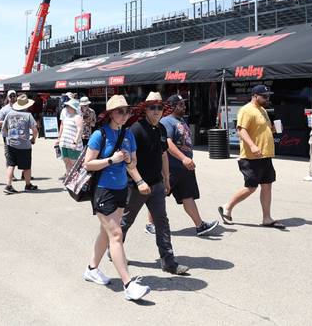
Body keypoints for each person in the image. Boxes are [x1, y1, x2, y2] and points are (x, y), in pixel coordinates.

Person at [82, 95, 151, 301]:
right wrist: (111, 159)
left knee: (106, 232)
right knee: (116, 235)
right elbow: (88, 164)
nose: (125, 115)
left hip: (122, 189)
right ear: (111, 113)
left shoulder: (128, 135)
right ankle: (128, 285)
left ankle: (91, 269)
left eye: (127, 111)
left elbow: (132, 164)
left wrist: (129, 161)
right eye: (120, 111)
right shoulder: (99, 134)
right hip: (103, 190)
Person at [122, 92, 189, 275]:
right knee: (126, 221)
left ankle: (168, 262)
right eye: (152, 107)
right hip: (137, 185)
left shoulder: (161, 129)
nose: (157, 111)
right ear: (145, 110)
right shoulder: (135, 129)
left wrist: (166, 179)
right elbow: (128, 161)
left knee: (162, 222)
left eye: (159, 107)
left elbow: (163, 154)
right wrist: (139, 181)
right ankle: (116, 249)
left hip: (157, 184)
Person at [219, 85, 285, 228]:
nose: (267, 99)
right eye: (264, 96)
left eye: (268, 96)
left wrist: (273, 129)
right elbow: (241, 130)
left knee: (267, 186)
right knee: (251, 187)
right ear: (255, 96)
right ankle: (227, 207)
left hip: (265, 155)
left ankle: (266, 218)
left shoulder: (262, 110)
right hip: (251, 156)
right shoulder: (246, 110)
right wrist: (253, 146)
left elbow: (261, 129)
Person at [159, 94, 218, 236]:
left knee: (188, 195)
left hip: (185, 167)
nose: (184, 107)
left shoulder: (181, 120)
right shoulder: (167, 121)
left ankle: (200, 226)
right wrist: (184, 158)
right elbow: (168, 143)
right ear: (172, 107)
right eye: (180, 104)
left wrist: (187, 160)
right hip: (172, 167)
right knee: (159, 194)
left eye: (184, 104)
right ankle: (151, 225)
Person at [1, 94, 38, 194]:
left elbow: (3, 128)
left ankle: (8, 185)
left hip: (11, 143)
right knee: (26, 166)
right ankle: (28, 185)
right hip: (24, 145)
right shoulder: (28, 115)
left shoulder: (10, 114)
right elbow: (35, 130)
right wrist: (33, 139)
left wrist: (7, 137)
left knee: (10, 164)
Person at [0, 90, 19, 181]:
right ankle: (11, 175)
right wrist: (8, 122)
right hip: (7, 135)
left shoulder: (20, 107)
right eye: (11, 96)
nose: (12, 98)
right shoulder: (4, 109)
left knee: (19, 154)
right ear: (8, 98)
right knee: (9, 155)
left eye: (14, 96)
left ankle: (24, 173)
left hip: (19, 135)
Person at [57, 99, 84, 173]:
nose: (67, 108)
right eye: (67, 106)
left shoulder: (77, 117)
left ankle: (75, 181)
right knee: (66, 162)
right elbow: (62, 126)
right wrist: (59, 139)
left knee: (74, 164)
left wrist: (75, 141)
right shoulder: (67, 116)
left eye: (68, 106)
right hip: (64, 143)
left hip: (73, 144)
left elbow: (80, 130)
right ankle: (68, 179)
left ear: (73, 108)